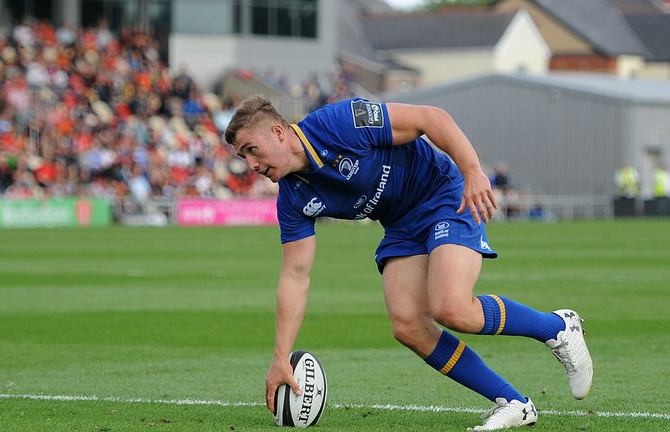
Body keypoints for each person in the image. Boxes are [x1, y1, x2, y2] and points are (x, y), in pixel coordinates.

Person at [224, 96, 594, 431]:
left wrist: (472, 171)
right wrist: (279, 358)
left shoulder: (339, 122)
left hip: (444, 194)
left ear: (277, 132)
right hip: (400, 223)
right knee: (408, 325)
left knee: (451, 307)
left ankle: (558, 327)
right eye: (243, 157)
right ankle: (513, 402)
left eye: (251, 150)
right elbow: (295, 276)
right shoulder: (292, 198)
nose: (251, 165)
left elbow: (431, 118)